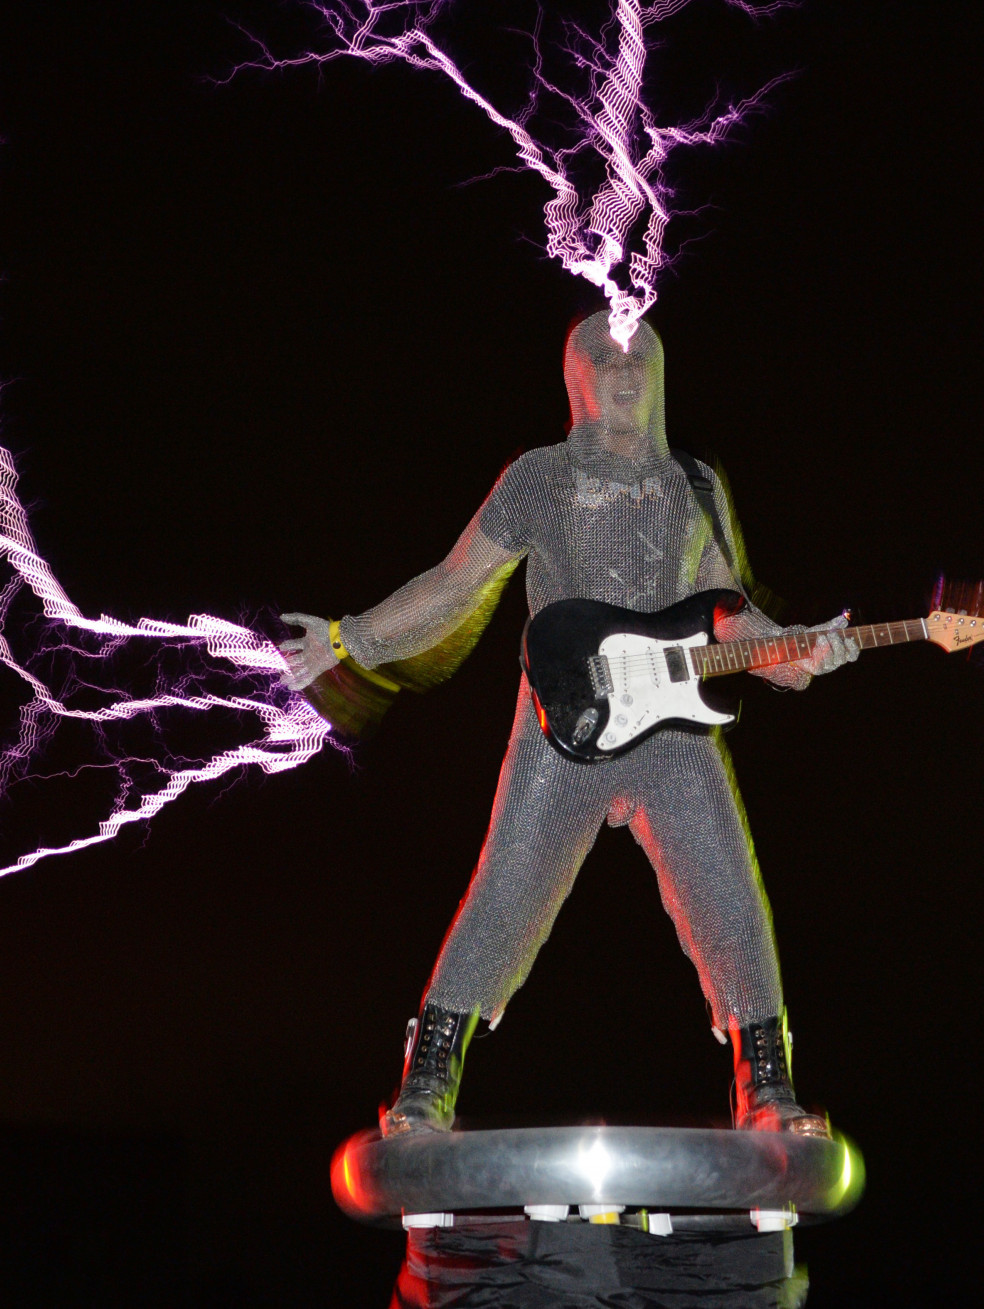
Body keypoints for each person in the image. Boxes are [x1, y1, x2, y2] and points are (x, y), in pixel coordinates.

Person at [280, 311, 854, 1139]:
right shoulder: (540, 478)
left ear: (658, 377)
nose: (623, 375)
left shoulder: (694, 485)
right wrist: (352, 638)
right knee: (506, 894)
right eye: (604, 360)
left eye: (637, 360)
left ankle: (767, 1088)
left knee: (730, 897)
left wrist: (795, 655)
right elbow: (455, 582)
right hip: (564, 725)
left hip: (673, 730)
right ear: (577, 378)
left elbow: (729, 612)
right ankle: (427, 1080)